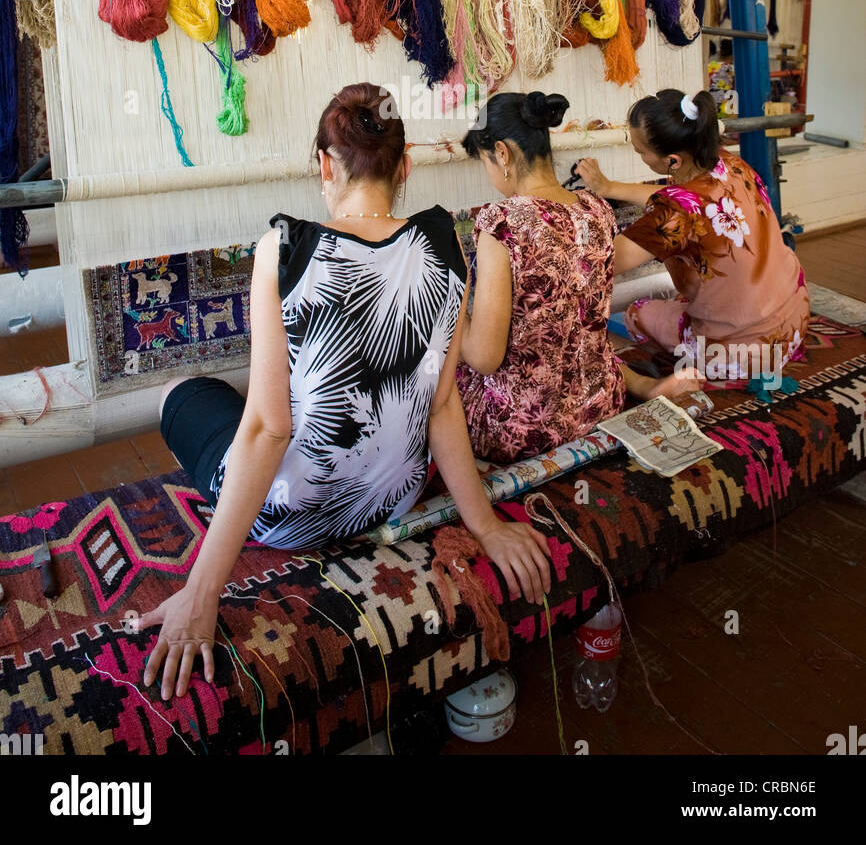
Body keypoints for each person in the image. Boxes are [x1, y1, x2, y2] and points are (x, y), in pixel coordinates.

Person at [140, 83, 551, 699]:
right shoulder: (444, 246)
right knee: (255, 401)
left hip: (286, 520)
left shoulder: (284, 247)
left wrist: (203, 595)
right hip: (391, 498)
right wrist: (486, 525)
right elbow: (442, 406)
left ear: (325, 165)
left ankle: (186, 402)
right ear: (405, 166)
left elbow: (268, 429)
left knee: (185, 393)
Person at [578, 88, 809, 387]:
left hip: (739, 352)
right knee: (690, 293)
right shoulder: (732, 165)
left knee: (637, 313)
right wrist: (608, 187)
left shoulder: (676, 213)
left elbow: (604, 263)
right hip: (793, 323)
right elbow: (678, 199)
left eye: (640, 152)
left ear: (672, 161)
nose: (640, 156)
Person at [455, 90, 627, 464]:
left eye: (485, 160)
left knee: (437, 372)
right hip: (600, 406)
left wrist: (454, 290)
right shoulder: (597, 209)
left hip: (524, 431)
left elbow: (484, 357)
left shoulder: (502, 222)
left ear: (502, 153)